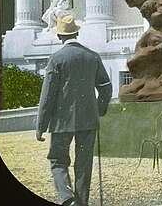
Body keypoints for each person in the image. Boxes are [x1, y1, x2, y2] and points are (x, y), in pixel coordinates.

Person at [36, 15, 112, 206]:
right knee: (84, 165)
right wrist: (99, 109)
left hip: (61, 122)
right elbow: (106, 86)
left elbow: (47, 96)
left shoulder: (56, 59)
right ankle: (81, 202)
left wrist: (40, 126)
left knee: (57, 159)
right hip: (89, 120)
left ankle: (67, 198)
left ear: (60, 37)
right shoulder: (92, 56)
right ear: (77, 33)